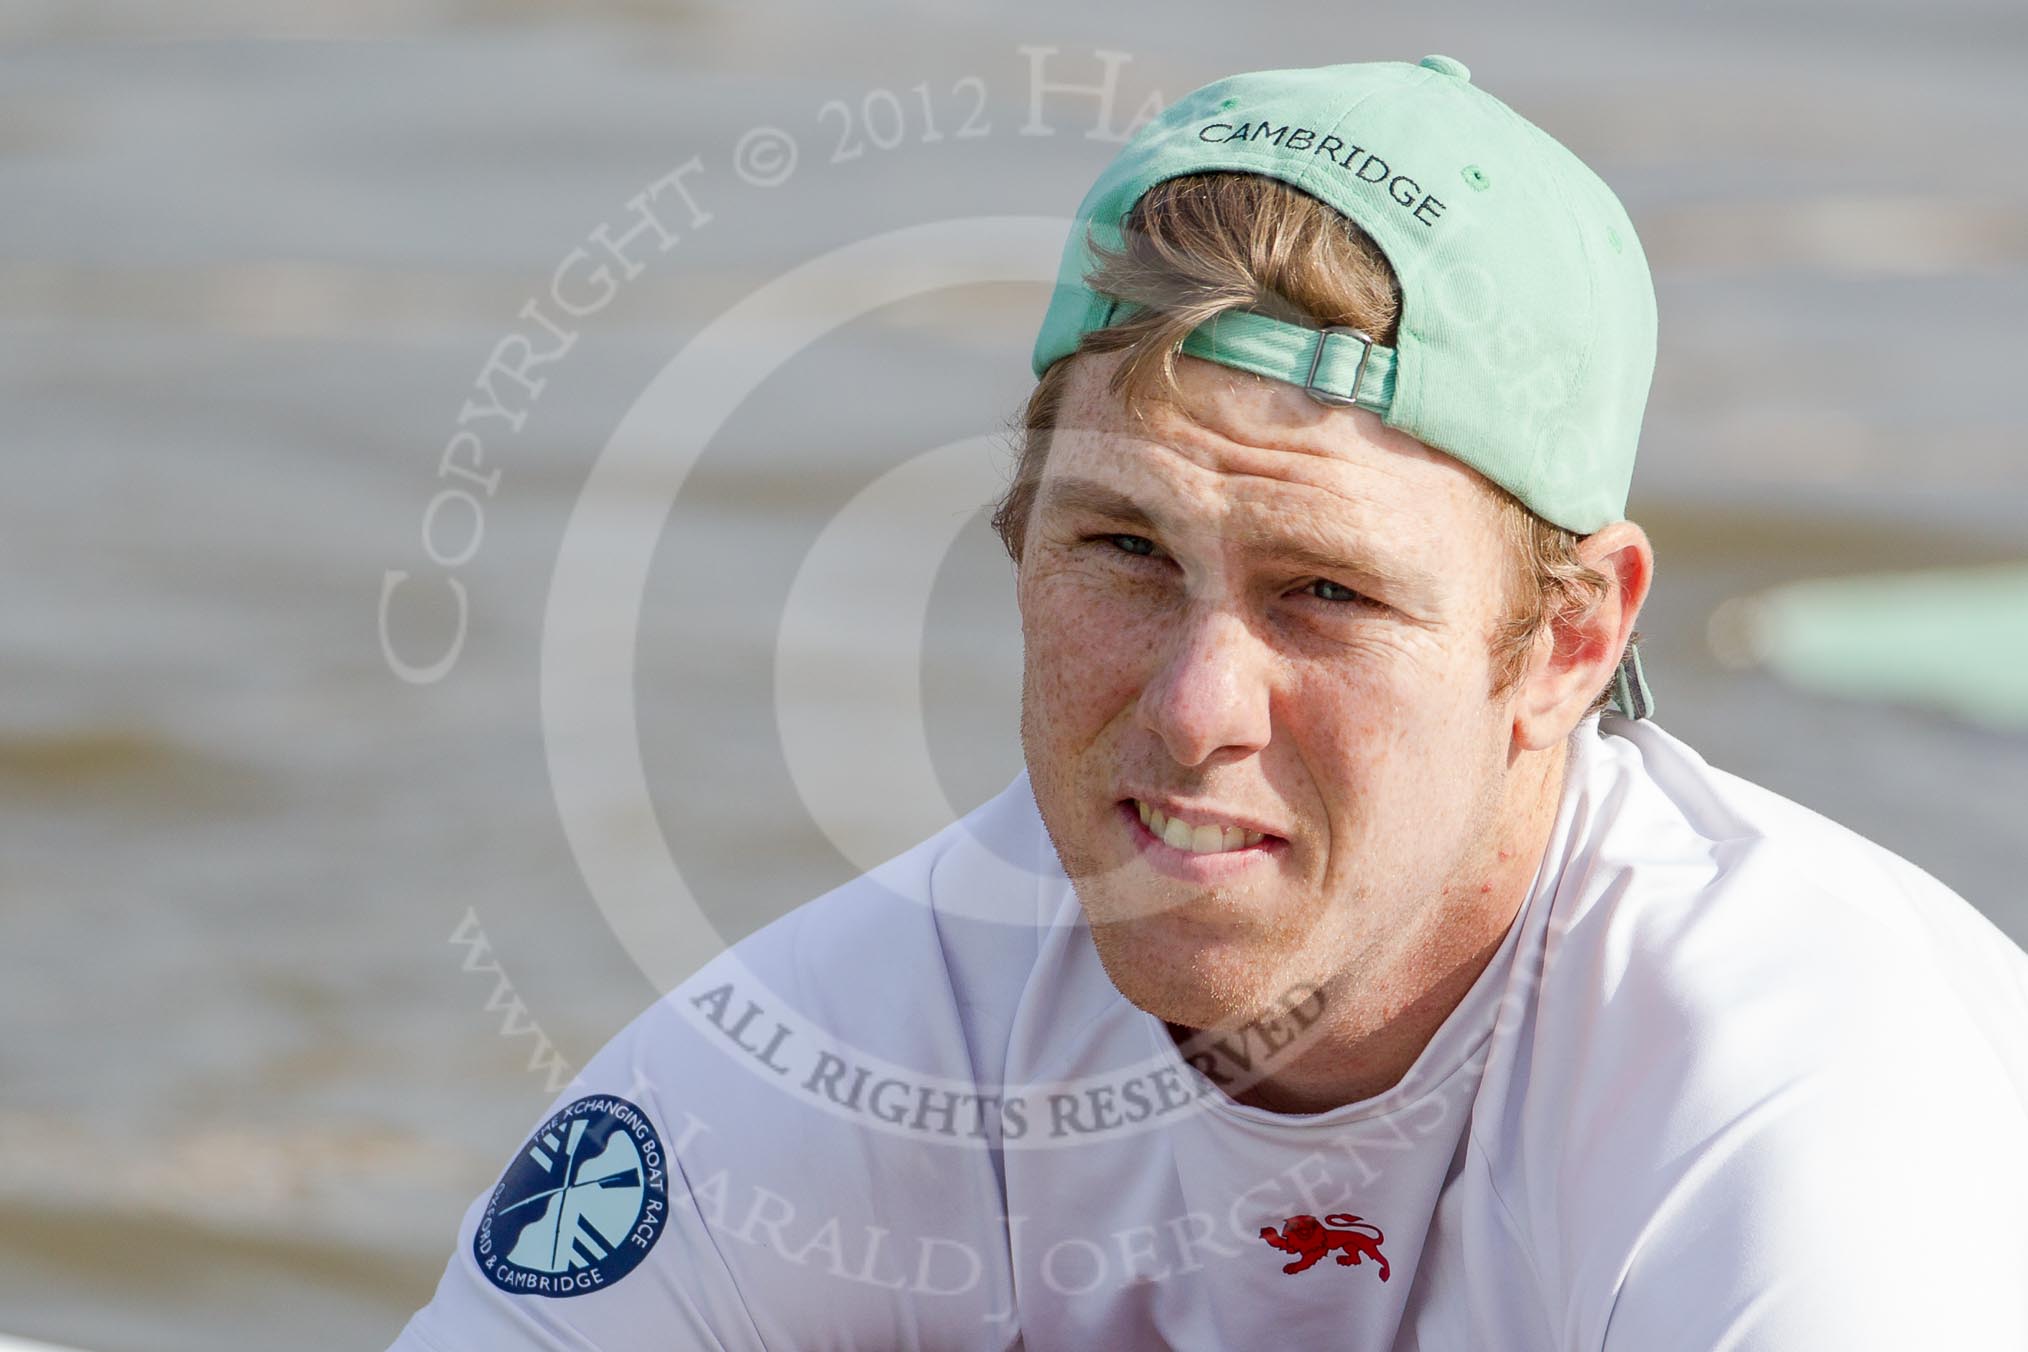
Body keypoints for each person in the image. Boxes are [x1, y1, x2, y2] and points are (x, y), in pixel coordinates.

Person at [387, 55, 2028, 1350]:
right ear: (1020, 541)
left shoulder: (1804, 1118)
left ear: (1566, 646)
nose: (1192, 709)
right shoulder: (849, 1050)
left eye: (1325, 591)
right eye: (1124, 549)